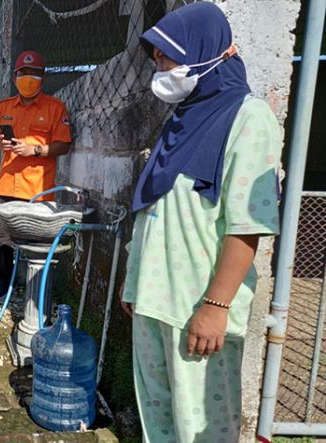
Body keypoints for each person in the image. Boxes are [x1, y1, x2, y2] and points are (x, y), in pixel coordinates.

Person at [119, 3, 282, 441]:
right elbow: (153, 211)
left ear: (207, 52)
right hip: (154, 301)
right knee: (161, 423)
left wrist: (215, 307)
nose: (161, 67)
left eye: (168, 56)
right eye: (156, 58)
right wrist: (133, 282)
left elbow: (247, 224)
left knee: (202, 430)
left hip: (198, 307)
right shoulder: (180, 121)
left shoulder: (248, 118)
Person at [0, 50, 72, 301]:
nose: (28, 78)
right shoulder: (4, 107)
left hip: (38, 187)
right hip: (6, 185)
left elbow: (63, 145)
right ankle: (4, 282)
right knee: (2, 241)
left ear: (42, 78)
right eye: (23, 73)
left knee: (36, 242)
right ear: (15, 77)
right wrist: (0, 145)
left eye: (34, 73)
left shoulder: (55, 108)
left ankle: (35, 287)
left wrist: (34, 149)